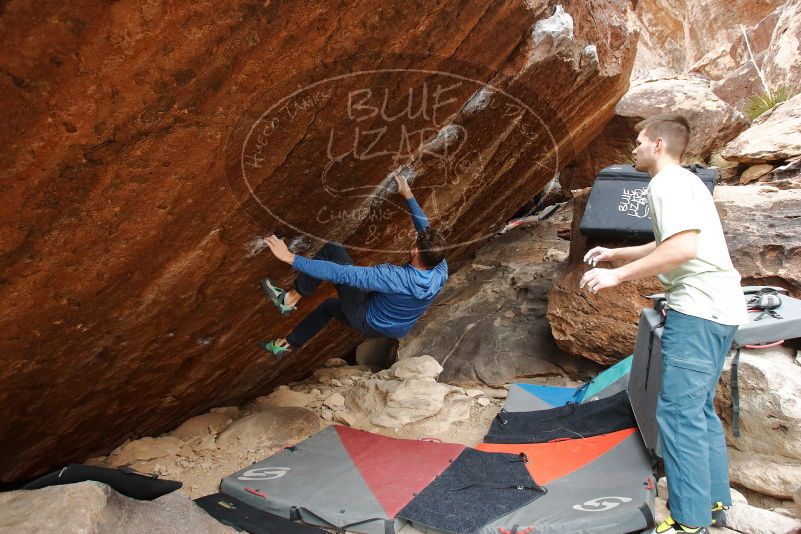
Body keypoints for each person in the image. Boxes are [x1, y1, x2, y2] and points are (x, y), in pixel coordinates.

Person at [579, 114, 748, 534]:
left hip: (698, 310)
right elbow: (668, 241)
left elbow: (683, 248)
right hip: (720, 309)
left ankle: (689, 522)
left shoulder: (665, 184)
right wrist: (616, 254)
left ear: (657, 144)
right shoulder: (687, 182)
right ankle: (713, 502)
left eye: (639, 142)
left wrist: (616, 277)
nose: (633, 149)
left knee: (677, 414)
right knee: (698, 410)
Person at [258, 174, 448, 358]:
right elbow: (426, 231)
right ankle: (286, 344)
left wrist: (290, 257)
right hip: (392, 326)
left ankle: (288, 300)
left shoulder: (394, 277)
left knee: (332, 250)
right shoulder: (440, 267)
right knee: (329, 307)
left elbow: (343, 274)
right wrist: (408, 194)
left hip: (366, 318)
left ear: (415, 251)